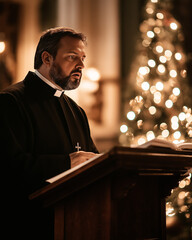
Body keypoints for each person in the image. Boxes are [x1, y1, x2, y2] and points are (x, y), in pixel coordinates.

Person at [0, 27, 99, 239]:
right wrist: (67, 163)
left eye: (82, 58)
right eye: (72, 57)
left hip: (75, 224)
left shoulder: (77, 111)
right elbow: (8, 169)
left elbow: (94, 162)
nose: (81, 65)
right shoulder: (10, 102)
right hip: (26, 226)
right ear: (47, 58)